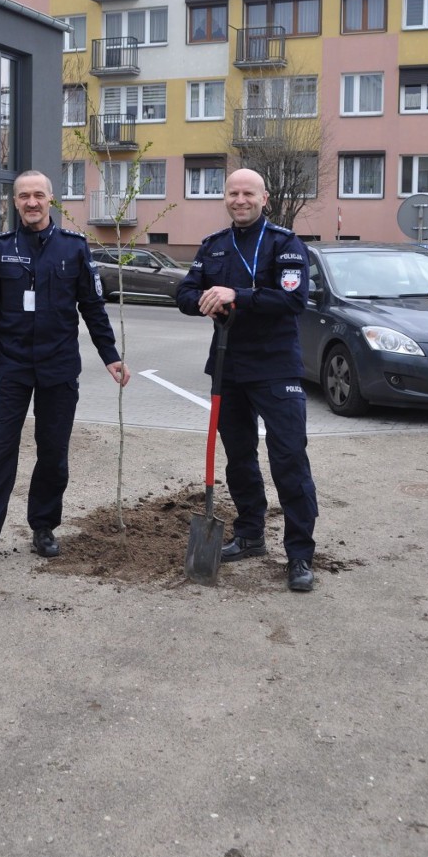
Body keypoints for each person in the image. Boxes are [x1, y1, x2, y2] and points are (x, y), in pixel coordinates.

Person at [0, 171, 130, 575]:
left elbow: (93, 308)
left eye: (38, 196)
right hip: (9, 368)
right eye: (24, 196)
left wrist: (110, 356)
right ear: (15, 203)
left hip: (59, 366)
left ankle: (44, 526)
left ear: (52, 199)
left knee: (53, 453)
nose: (32, 202)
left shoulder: (74, 248)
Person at [176, 168, 318, 592]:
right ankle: (250, 533)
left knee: (289, 459)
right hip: (228, 369)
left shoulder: (285, 244)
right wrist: (205, 301)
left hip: (276, 369)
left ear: (264, 198)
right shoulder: (213, 247)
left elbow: (293, 299)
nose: (240, 200)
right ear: (225, 198)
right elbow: (184, 292)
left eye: (248, 193)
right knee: (239, 458)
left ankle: (299, 555)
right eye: (233, 193)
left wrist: (239, 295)